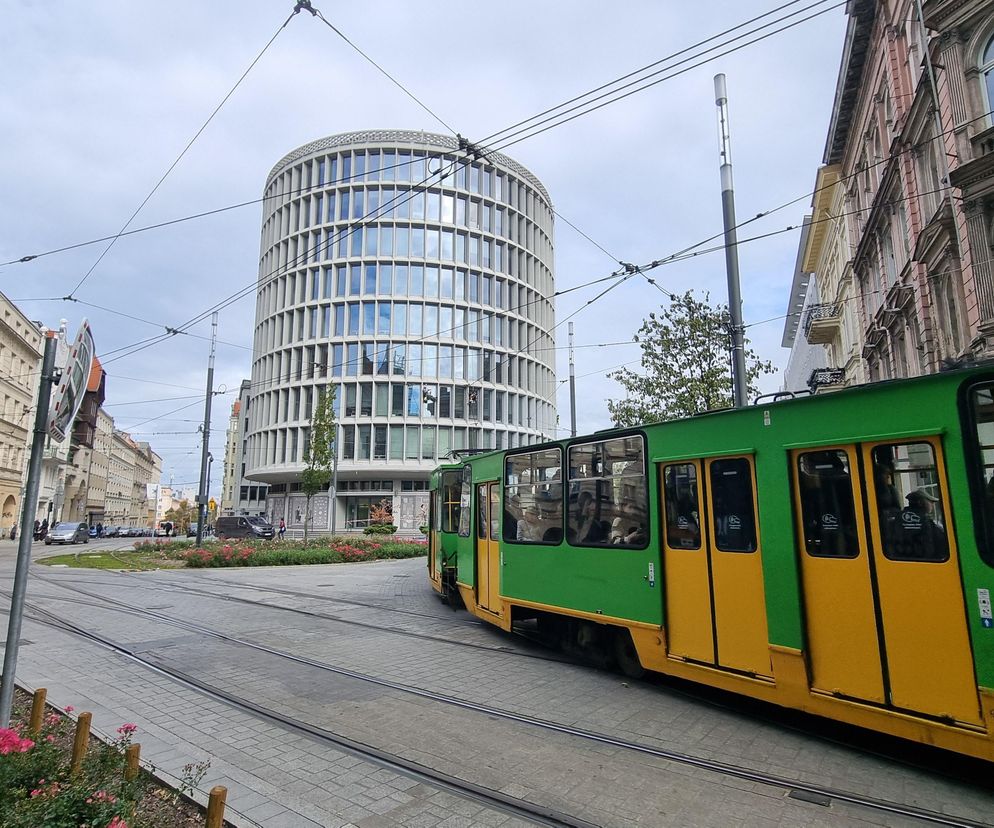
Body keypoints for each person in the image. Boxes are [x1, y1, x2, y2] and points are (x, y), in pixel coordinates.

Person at [896, 489, 947, 560]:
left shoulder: (897, 518)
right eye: (930, 501)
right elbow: (940, 543)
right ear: (920, 502)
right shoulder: (925, 521)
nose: (932, 504)